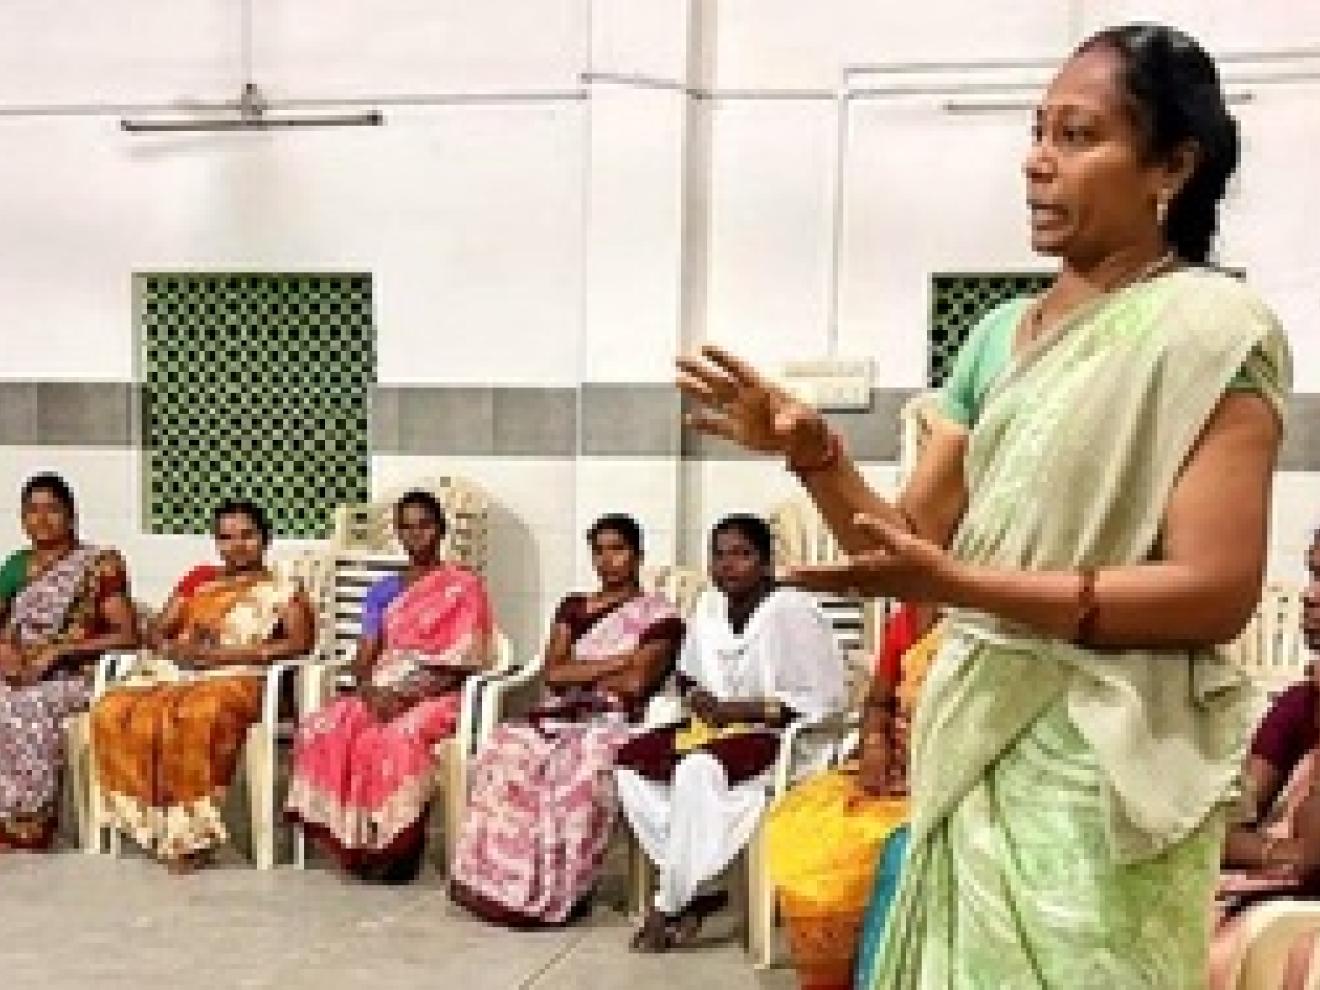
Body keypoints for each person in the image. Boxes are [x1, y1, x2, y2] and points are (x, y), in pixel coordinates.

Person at [678, 23, 1289, 986]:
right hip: (974, 728)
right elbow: (907, 544)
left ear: (1172, 164)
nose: (1037, 162)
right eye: (1037, 131)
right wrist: (815, 454)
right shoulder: (1001, 334)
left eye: (1078, 137)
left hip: (1101, 762)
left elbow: (1215, 593)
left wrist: (968, 585)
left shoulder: (1210, 332)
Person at [617, 514, 845, 952]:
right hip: (714, 728)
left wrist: (736, 709)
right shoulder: (709, 606)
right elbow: (686, 674)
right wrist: (699, 698)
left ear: (764, 562)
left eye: (741, 554)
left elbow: (817, 701)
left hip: (777, 736)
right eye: (719, 555)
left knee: (696, 772)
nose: (728, 565)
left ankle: (669, 904)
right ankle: (694, 885)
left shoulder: (790, 611)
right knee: (631, 761)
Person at [451, 514, 684, 925]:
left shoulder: (660, 616)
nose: (607, 560)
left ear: (638, 555)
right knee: (507, 742)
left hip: (615, 721)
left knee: (583, 759)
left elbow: (636, 682)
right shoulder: (574, 606)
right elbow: (554, 672)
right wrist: (616, 659)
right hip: (561, 713)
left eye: (618, 549)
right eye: (599, 551)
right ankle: (495, 879)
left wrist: (584, 666)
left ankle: (560, 887)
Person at [91, 499, 313, 870]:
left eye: (247, 535)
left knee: (197, 712)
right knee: (113, 707)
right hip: (184, 671)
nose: (237, 545)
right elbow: (157, 630)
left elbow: (298, 643)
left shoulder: (282, 588)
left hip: (241, 676)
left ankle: (191, 837)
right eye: (226, 537)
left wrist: (225, 657)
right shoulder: (203, 586)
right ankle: (149, 822)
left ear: (265, 538)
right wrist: (171, 648)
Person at [285, 490, 493, 883]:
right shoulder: (383, 590)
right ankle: (358, 842)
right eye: (407, 527)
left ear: (441, 530)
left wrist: (406, 696)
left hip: (439, 693)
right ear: (397, 533)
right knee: (322, 727)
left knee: (397, 738)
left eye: (425, 526)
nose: (417, 536)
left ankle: (398, 849)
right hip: (382, 686)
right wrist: (370, 691)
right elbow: (365, 655)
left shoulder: (463, 586)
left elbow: (464, 661)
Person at [766, 604, 937, 990]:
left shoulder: (991, 622)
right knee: (810, 827)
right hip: (892, 773)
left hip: (947, 780)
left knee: (879, 848)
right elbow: (877, 703)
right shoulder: (909, 618)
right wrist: (875, 744)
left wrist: (925, 760)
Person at [0, 473, 138, 849]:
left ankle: (27, 822)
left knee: (22, 705)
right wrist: (8, 654)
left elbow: (127, 635)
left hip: (76, 675)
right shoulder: (15, 565)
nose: (41, 520)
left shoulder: (99, 565)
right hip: (18, 669)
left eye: (52, 510)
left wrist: (60, 651)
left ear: (71, 515)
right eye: (32, 510)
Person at [1209, 531, 1320, 987]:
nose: (1309, 598)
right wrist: (1278, 852)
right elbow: (1224, 825)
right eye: (1313, 575)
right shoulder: (1299, 708)